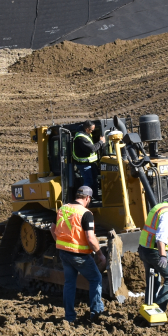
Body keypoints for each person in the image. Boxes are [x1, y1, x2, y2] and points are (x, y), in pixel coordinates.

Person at [54, 185, 106, 324]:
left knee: (69, 283)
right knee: (95, 279)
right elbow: (90, 237)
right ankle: (96, 313)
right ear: (87, 198)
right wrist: (100, 254)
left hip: (64, 253)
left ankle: (69, 317)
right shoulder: (86, 214)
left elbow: (54, 229)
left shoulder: (63, 209)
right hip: (79, 255)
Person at [71, 120, 103, 194]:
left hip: (90, 163)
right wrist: (101, 142)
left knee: (94, 180)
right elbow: (92, 149)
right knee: (88, 182)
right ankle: (84, 198)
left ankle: (95, 195)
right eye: (92, 130)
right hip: (84, 164)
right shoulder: (81, 138)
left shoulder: (86, 134)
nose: (92, 131)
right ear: (87, 129)